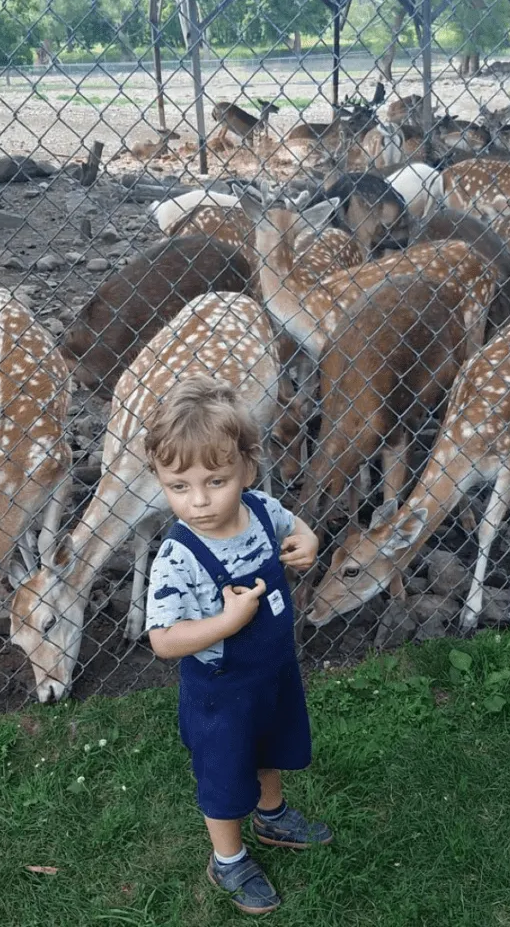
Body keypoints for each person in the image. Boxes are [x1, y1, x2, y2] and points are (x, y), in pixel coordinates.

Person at [144, 375, 331, 915]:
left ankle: (271, 817)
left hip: (271, 674)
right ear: (160, 479)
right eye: (179, 487)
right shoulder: (177, 558)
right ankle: (227, 858)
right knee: (226, 776)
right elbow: (163, 640)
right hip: (220, 695)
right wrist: (226, 622)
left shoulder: (260, 509)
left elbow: (294, 524)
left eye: (216, 481)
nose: (199, 501)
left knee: (269, 748)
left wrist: (309, 541)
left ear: (247, 468)